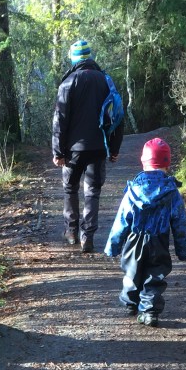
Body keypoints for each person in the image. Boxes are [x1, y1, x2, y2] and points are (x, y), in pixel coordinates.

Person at [104, 137, 186, 327]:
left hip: (134, 240)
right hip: (158, 241)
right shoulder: (171, 192)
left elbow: (122, 220)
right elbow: (179, 223)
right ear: (167, 164)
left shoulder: (133, 190)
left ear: (144, 163)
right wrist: (182, 249)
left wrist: (113, 245)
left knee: (132, 272)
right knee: (155, 275)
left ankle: (130, 303)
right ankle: (149, 311)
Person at [52, 39, 124, 253]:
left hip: (73, 149)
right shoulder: (106, 81)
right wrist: (115, 148)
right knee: (92, 191)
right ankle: (88, 236)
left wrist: (58, 150)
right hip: (99, 147)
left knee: (70, 188)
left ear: (74, 59)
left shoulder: (67, 82)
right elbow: (118, 116)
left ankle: (71, 231)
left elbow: (60, 119)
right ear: (90, 57)